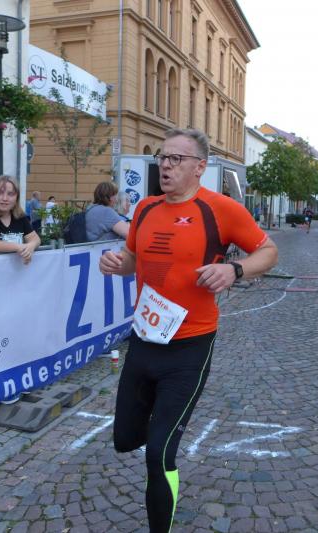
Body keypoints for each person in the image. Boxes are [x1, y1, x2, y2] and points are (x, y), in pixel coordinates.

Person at [99, 128, 278, 533]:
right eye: (163, 157)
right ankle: (161, 426)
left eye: (176, 159)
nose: (165, 165)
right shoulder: (145, 208)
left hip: (190, 348)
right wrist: (115, 264)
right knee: (125, 439)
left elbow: (268, 251)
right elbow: (132, 260)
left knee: (158, 453)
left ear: (200, 167)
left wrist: (234, 270)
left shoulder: (221, 209)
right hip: (144, 340)